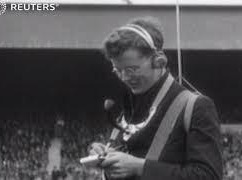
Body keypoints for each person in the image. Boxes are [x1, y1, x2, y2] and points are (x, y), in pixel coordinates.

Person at [89, 16, 223, 180]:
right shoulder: (126, 113)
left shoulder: (196, 107)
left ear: (158, 61)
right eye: (118, 70)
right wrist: (107, 158)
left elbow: (208, 176)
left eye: (132, 69)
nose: (124, 77)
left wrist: (140, 167)